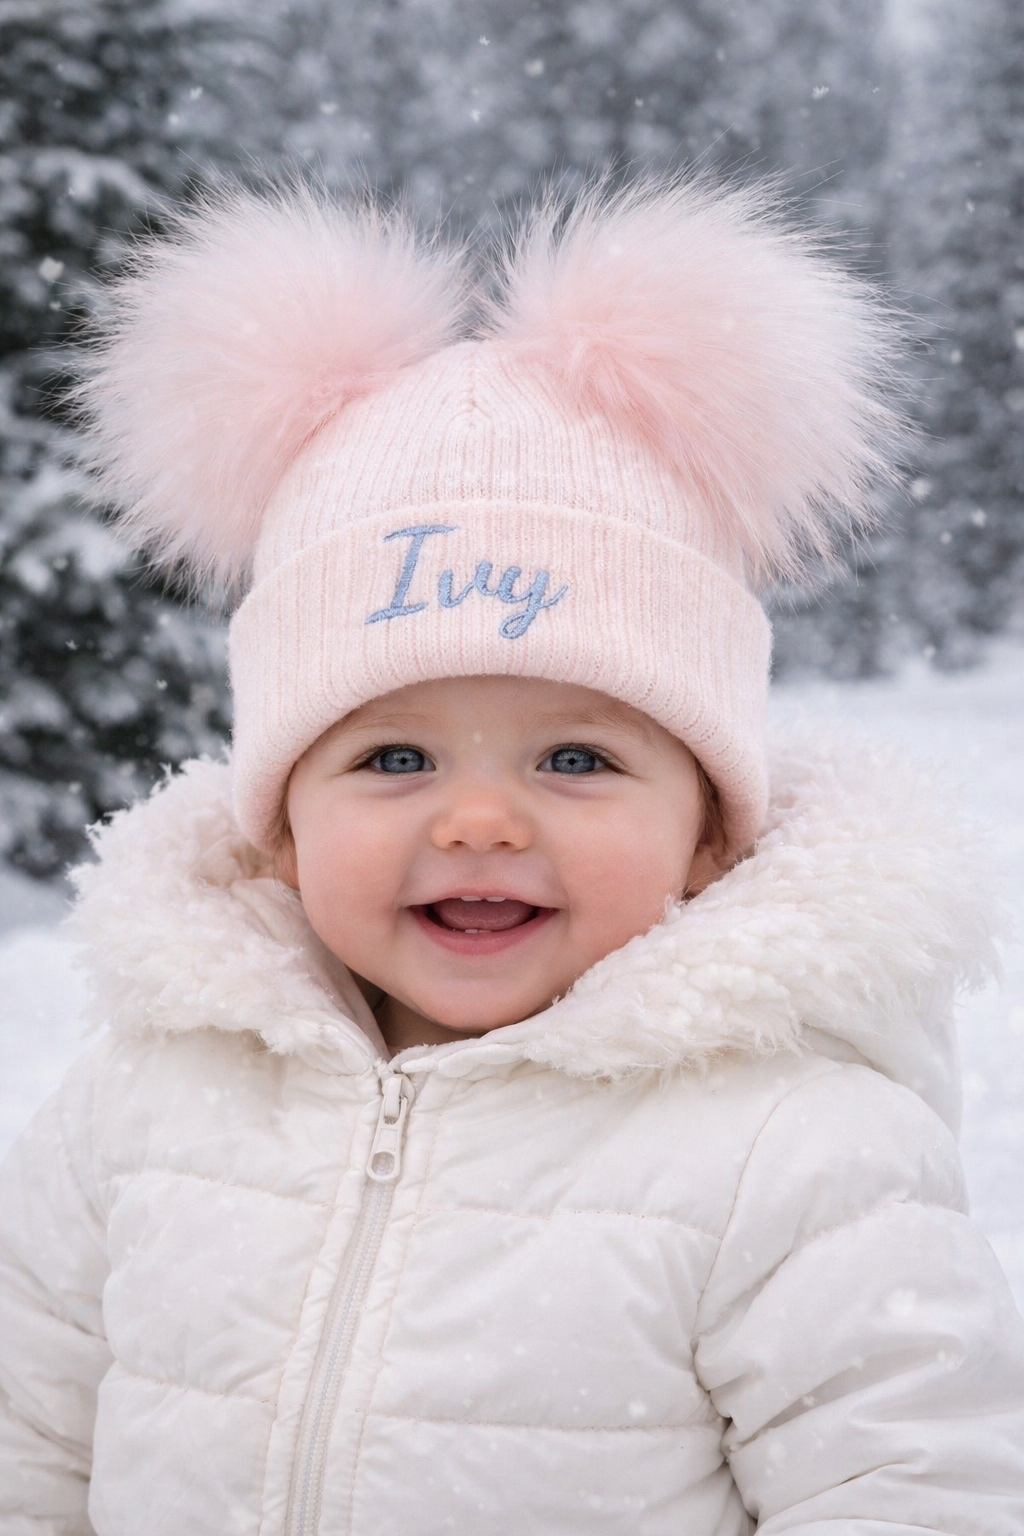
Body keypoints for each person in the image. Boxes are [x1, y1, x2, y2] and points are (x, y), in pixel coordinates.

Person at [1, 168, 1022, 1535]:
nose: (479, 822)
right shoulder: (144, 1106)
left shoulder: (796, 1151)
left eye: (578, 759)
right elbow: (27, 1444)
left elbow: (917, 1490)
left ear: (713, 830)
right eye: (393, 758)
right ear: (280, 821)